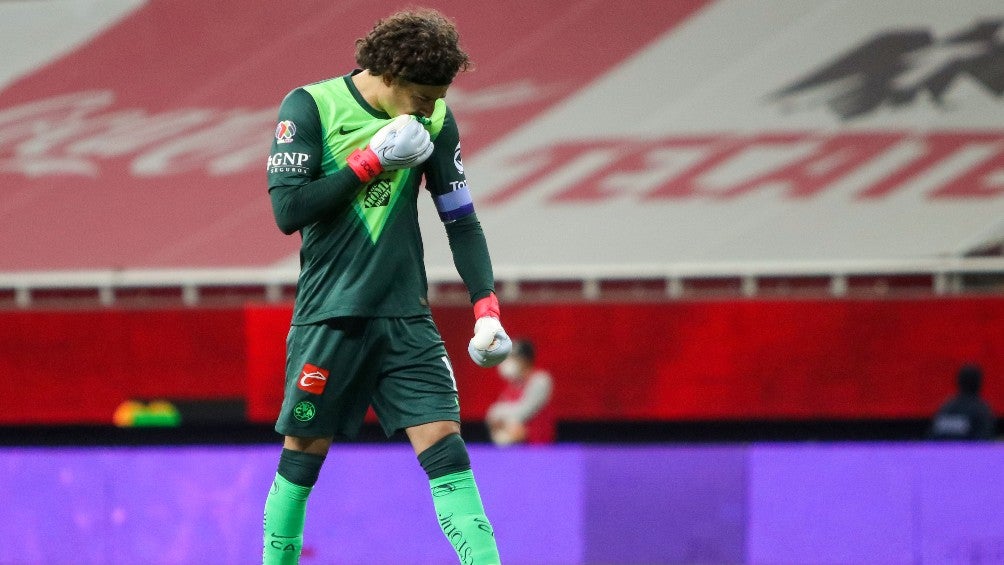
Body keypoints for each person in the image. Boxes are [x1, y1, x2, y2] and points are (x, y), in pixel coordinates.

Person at [262, 10, 511, 565]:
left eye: (437, 97)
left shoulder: (437, 117)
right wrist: (369, 162)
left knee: (447, 445)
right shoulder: (310, 106)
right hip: (330, 316)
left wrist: (486, 306)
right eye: (422, 95)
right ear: (391, 74)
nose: (429, 108)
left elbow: (461, 220)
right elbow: (288, 211)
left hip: (405, 316)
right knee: (302, 453)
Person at [486, 340, 555, 445]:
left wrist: (497, 412)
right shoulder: (512, 386)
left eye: (512, 358)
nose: (507, 362)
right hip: (515, 449)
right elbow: (494, 420)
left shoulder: (540, 380)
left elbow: (524, 410)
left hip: (539, 448)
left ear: (525, 360)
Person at [929, 363, 996, 440]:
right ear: (979, 383)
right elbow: (984, 441)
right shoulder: (982, 411)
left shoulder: (945, 408)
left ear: (958, 382)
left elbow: (932, 438)